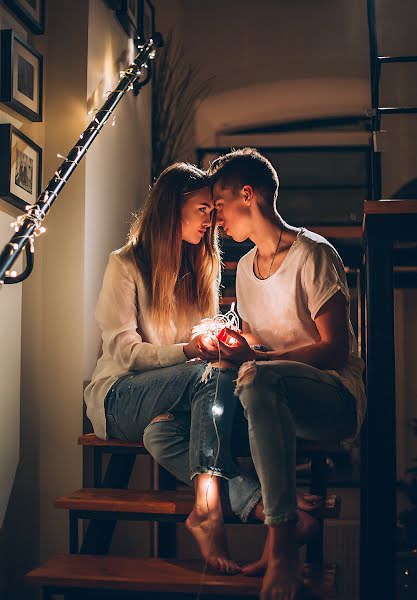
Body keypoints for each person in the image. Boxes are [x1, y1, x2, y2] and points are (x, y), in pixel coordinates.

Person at [84, 162, 263, 574]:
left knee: (162, 435)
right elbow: (125, 352)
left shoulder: (203, 266)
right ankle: (220, 509)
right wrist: (187, 350)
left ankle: (237, 504)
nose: (212, 220)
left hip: (174, 399)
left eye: (213, 211)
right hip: (119, 397)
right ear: (171, 207)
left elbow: (199, 346)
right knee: (213, 375)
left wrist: (215, 339)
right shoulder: (125, 264)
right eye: (203, 209)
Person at [206, 148, 366, 600]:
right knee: (176, 424)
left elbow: (334, 350)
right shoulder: (242, 273)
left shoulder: (313, 254)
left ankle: (281, 548)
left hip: (332, 399)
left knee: (257, 379)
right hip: (273, 399)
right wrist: (234, 348)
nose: (217, 219)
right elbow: (258, 347)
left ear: (247, 195)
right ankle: (278, 529)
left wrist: (261, 364)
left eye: (219, 206)